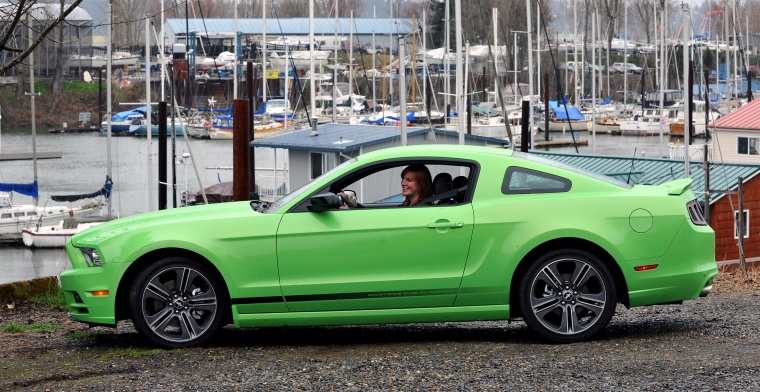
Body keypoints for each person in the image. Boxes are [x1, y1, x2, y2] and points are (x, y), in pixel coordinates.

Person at [339, 164, 433, 208]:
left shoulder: (421, 209)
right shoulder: (409, 205)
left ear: (421, 184)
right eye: (403, 179)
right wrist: (352, 203)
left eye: (408, 180)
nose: (402, 183)